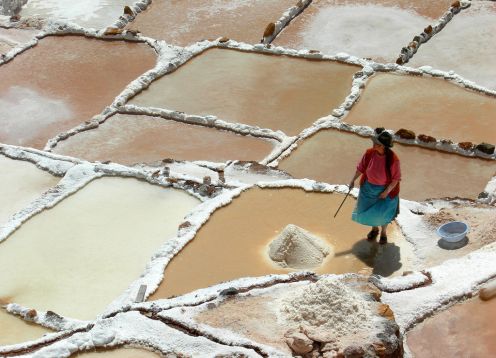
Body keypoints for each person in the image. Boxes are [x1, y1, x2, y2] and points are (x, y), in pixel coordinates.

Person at [348, 128, 401, 244]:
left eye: (376, 143)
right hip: (368, 188)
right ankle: (374, 229)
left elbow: (395, 179)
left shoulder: (393, 159)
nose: (373, 144)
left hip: (385, 191)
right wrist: (352, 181)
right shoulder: (369, 153)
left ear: (382, 146)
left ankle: (383, 232)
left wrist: (386, 192)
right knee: (368, 212)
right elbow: (360, 168)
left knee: (383, 213)